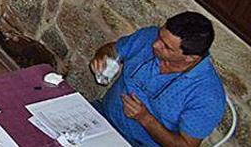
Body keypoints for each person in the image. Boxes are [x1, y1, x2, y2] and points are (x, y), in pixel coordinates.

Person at [90, 12, 227, 147]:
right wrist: (103, 55)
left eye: (166, 47)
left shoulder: (208, 95)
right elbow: (113, 49)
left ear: (190, 58)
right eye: (160, 35)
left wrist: (145, 118)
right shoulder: (149, 37)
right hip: (102, 116)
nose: (155, 44)